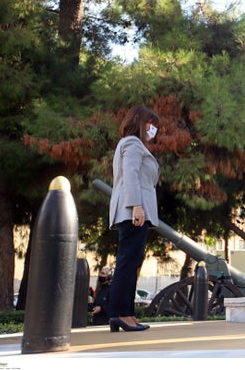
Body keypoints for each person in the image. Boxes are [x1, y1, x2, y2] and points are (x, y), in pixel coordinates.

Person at [107, 105, 160, 332]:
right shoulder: (132, 143)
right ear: (140, 121)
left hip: (133, 212)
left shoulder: (132, 144)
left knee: (131, 263)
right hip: (133, 212)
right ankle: (120, 314)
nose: (153, 128)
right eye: (150, 123)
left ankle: (125, 314)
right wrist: (137, 206)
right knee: (128, 263)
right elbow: (131, 175)